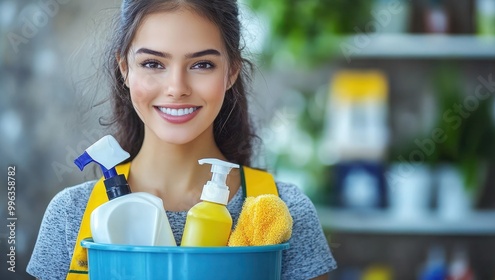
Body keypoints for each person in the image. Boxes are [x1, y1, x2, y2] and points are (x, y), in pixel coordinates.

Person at [27, 0, 337, 279]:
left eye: (202, 64)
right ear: (125, 69)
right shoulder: (71, 214)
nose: (177, 87)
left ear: (230, 72)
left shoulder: (286, 213)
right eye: (153, 63)